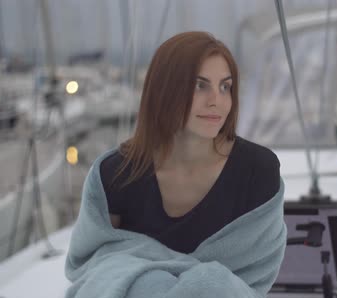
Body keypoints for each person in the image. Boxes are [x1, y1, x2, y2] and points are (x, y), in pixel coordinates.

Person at [99, 31, 281, 254]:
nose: (216, 101)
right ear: (164, 90)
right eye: (200, 86)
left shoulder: (257, 169)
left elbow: (256, 267)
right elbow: (99, 267)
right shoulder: (118, 171)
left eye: (225, 87)